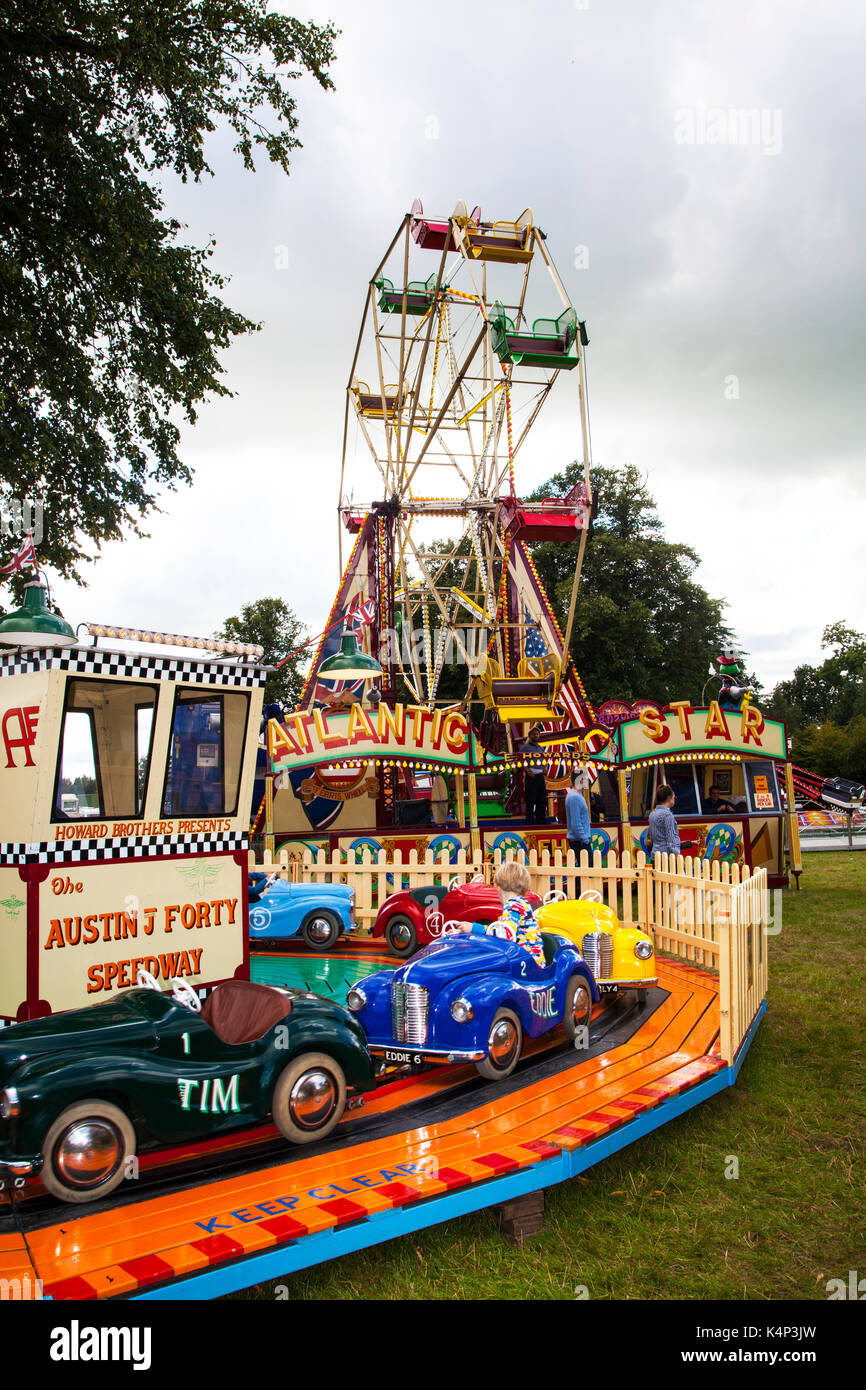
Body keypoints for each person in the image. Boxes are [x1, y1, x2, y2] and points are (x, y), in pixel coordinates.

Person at [454, 860, 546, 968]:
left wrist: (473, 928)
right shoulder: (522, 903)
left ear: (496, 885)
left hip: (526, 965)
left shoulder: (513, 905)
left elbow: (505, 934)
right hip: (531, 961)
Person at [522, 726, 548, 825]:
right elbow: (521, 760)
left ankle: (541, 822)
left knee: (542, 800)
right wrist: (527, 770)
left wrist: (545, 768)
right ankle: (529, 822)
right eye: (533, 734)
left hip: (540, 776)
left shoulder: (540, 748)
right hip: (531, 777)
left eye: (537, 734)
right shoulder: (525, 747)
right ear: (529, 735)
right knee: (530, 800)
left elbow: (545, 760)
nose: (536, 735)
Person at [565, 770, 592, 862]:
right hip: (579, 841)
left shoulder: (575, 795)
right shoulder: (574, 797)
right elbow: (576, 823)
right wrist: (585, 840)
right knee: (587, 867)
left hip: (579, 840)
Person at [647, 783, 681, 857]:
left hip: (655, 854)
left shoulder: (652, 813)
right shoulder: (667, 815)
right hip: (667, 856)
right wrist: (676, 854)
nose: (674, 799)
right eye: (674, 797)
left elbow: (652, 838)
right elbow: (671, 839)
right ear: (669, 798)